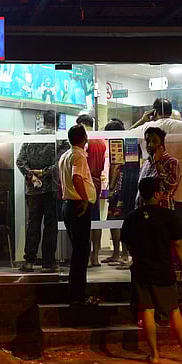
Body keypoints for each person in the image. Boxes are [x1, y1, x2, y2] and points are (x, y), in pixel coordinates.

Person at [121, 176, 182, 364]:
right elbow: (178, 243)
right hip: (164, 271)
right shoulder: (169, 216)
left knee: (147, 311)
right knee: (174, 311)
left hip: (142, 271)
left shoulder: (132, 217)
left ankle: (154, 354)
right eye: (161, 191)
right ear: (157, 194)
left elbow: (128, 245)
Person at [132, 98, 182, 269]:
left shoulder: (147, 129)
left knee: (157, 233)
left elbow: (127, 134)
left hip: (155, 194)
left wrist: (143, 119)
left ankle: (162, 266)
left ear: (154, 112)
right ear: (171, 111)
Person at [16, 110, 63, 273]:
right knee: (50, 226)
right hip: (51, 190)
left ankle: (29, 262)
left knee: (33, 225)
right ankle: (48, 263)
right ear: (57, 121)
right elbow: (60, 165)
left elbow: (20, 161)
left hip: (32, 191)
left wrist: (32, 176)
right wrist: (45, 172)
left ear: (43, 121)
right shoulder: (60, 140)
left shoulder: (30, 138)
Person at [58, 124, 98, 306]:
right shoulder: (79, 155)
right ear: (84, 138)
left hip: (68, 205)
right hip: (77, 206)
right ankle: (78, 295)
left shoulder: (66, 155)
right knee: (81, 253)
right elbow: (76, 178)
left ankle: (75, 293)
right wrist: (84, 199)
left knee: (78, 251)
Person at [102, 118, 134, 266]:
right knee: (124, 220)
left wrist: (111, 187)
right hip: (129, 185)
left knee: (115, 220)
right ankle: (123, 254)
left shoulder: (116, 144)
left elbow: (115, 166)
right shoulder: (129, 142)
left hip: (119, 187)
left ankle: (120, 254)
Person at [76, 113, 106, 268]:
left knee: (85, 222)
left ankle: (87, 257)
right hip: (97, 182)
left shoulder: (85, 142)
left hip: (86, 182)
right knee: (96, 221)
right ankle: (95, 257)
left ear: (81, 124)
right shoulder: (102, 141)